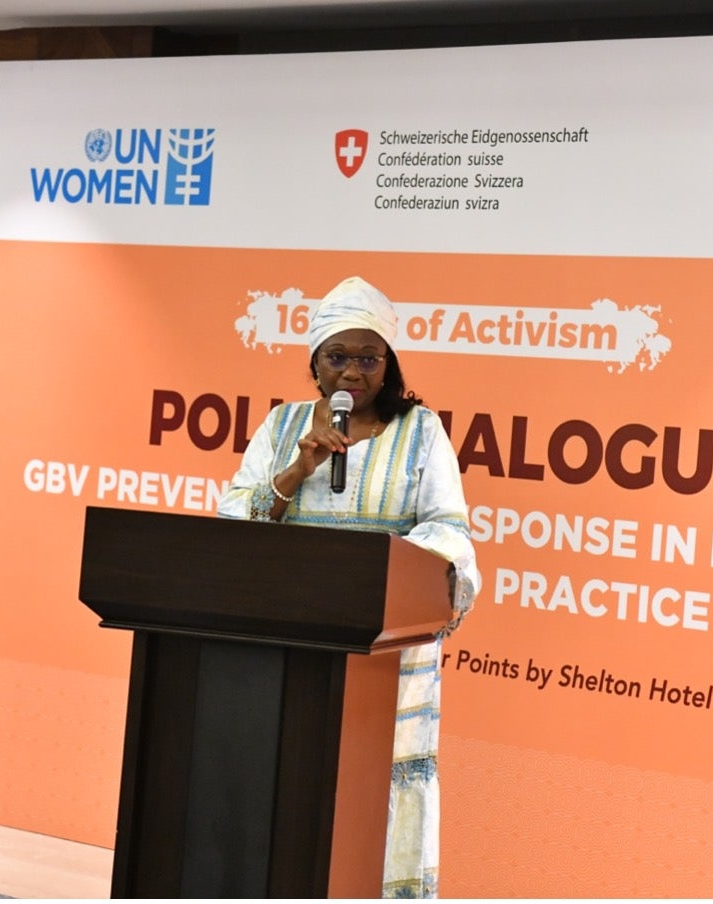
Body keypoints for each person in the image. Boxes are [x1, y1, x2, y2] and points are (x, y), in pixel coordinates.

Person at [217, 275, 479, 898]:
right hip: (291, 638)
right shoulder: (283, 428)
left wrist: (396, 571)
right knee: (289, 775)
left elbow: (448, 528)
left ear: (388, 364)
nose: (354, 373)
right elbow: (232, 521)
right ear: (314, 363)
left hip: (384, 649)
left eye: (369, 358)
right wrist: (295, 471)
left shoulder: (421, 430)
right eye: (339, 357)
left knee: (372, 784)